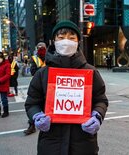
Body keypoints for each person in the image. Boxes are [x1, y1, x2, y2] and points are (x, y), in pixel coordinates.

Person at [25, 20, 108, 154]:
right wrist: (36, 116)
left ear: (77, 42)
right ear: (54, 41)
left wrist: (97, 115)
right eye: (61, 38)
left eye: (71, 38)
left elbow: (101, 100)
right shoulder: (42, 74)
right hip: (51, 144)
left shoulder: (91, 72)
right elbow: (32, 103)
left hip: (84, 144)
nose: (66, 41)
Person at [23, 42, 47, 135]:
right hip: (37, 85)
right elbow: (33, 71)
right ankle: (31, 125)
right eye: (39, 48)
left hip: (48, 85)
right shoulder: (34, 58)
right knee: (34, 105)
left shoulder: (50, 57)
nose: (41, 49)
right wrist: (42, 70)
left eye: (43, 48)